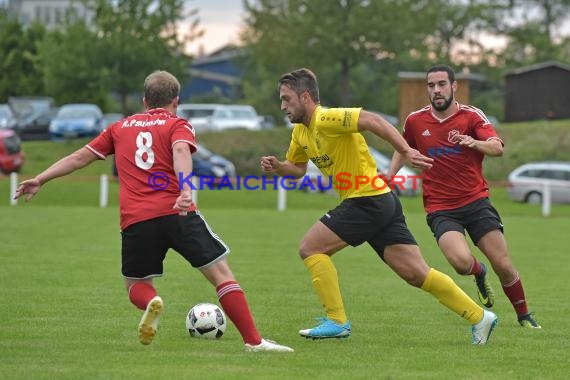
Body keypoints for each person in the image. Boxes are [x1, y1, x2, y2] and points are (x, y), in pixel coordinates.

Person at [14, 70, 294, 352]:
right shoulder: (178, 124)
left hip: (137, 220)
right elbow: (181, 152)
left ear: (144, 100)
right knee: (222, 274)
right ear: (176, 100)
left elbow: (79, 157)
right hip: (178, 213)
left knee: (135, 284)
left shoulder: (119, 128)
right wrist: (185, 189)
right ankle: (254, 342)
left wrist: (41, 178)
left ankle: (150, 303)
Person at [261, 67, 498, 344]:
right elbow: (298, 169)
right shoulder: (301, 133)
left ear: (305, 97)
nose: (283, 106)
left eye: (287, 99)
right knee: (416, 274)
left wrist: (407, 150)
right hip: (380, 201)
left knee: (310, 248)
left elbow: (372, 120)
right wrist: (279, 167)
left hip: (367, 199)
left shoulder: (327, 118)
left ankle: (337, 321)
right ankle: (480, 318)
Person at [388, 64, 540, 328]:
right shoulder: (415, 120)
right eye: (431, 85)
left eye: (441, 84)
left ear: (454, 86)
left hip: (475, 202)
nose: (436, 90)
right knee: (460, 263)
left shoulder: (471, 117)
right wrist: (390, 175)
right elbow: (403, 148)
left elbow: (496, 148)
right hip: (440, 207)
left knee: (503, 264)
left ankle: (524, 316)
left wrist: (474, 143)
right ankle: (479, 272)